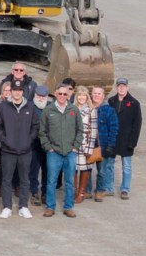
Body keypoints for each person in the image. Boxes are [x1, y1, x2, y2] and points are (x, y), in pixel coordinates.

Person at [0, 79, 40, 219]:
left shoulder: (30, 107)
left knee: (24, 180)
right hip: (8, 151)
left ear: (23, 92)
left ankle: (23, 207)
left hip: (25, 151)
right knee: (6, 180)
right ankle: (7, 207)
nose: (17, 92)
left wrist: (29, 140)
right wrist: (5, 141)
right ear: (11, 91)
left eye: (20, 90)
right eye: (15, 90)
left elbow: (35, 126)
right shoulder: (3, 107)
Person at [38, 83, 84, 218]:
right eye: (60, 94)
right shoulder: (48, 110)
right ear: (55, 94)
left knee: (69, 181)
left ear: (69, 95)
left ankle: (68, 207)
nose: (62, 96)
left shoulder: (74, 110)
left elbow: (80, 130)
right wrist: (48, 147)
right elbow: (42, 131)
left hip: (70, 152)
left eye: (65, 94)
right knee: (51, 181)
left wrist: (75, 146)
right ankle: (50, 207)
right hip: (54, 153)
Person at [107, 78, 142, 200]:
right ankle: (109, 188)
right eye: (119, 86)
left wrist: (133, 142)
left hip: (126, 140)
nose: (121, 88)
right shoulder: (111, 101)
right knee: (109, 164)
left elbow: (137, 124)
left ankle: (125, 189)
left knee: (126, 166)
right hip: (112, 139)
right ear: (116, 87)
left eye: (124, 86)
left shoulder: (134, 103)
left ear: (128, 87)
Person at [91, 86, 119, 202]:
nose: (96, 95)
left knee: (101, 171)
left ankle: (99, 191)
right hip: (88, 145)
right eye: (95, 93)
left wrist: (110, 145)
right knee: (86, 169)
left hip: (102, 145)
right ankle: (87, 191)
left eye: (99, 94)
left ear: (103, 96)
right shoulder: (88, 108)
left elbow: (114, 128)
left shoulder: (109, 110)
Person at [72, 86, 97, 205]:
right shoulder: (71, 108)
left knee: (85, 168)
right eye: (79, 95)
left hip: (85, 143)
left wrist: (89, 147)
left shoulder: (92, 110)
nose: (81, 98)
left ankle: (81, 193)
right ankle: (74, 191)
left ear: (87, 97)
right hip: (72, 143)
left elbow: (93, 130)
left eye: (84, 95)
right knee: (72, 169)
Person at [29, 84, 51, 206]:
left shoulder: (51, 107)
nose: (41, 98)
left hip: (48, 144)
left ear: (47, 96)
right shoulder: (29, 106)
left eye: (43, 96)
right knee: (33, 169)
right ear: (34, 95)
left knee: (47, 170)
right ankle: (33, 192)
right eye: (38, 95)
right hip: (33, 144)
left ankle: (45, 193)